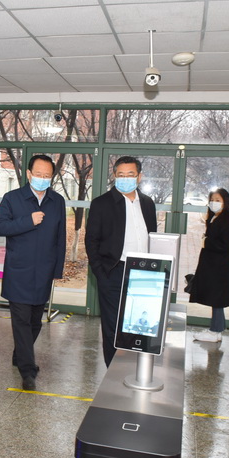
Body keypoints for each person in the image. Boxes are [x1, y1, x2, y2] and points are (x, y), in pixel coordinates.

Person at [0, 154, 66, 390]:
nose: (43, 179)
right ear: (28, 174)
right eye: (38, 174)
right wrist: (28, 221)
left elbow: (60, 238)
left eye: (47, 175)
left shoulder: (57, 201)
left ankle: (19, 354)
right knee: (22, 322)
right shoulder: (12, 198)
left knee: (36, 322)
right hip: (19, 271)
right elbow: (0, 227)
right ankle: (27, 371)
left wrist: (57, 269)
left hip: (43, 271)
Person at [85, 156, 157, 367]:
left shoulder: (147, 203)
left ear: (139, 177)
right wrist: (101, 273)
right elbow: (91, 241)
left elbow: (152, 235)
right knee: (113, 327)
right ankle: (113, 371)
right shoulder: (101, 204)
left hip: (143, 272)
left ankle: (135, 369)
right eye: (121, 175)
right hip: (114, 271)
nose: (125, 179)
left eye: (130, 175)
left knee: (139, 324)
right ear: (115, 176)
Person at [189, 188, 229, 343]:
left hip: (218, 266)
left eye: (218, 200)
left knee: (217, 299)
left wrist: (206, 242)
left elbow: (226, 245)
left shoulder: (226, 221)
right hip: (212, 264)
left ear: (225, 202)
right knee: (216, 299)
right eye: (212, 200)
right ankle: (217, 329)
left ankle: (215, 331)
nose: (214, 203)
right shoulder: (215, 218)